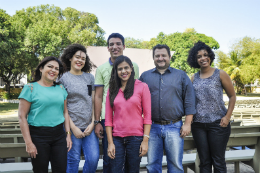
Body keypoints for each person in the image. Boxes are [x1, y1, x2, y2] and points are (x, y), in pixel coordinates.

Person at [139, 44, 196, 173]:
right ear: (153, 58)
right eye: (157, 55)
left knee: (175, 164)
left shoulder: (181, 75)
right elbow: (137, 102)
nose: (160, 58)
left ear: (169, 57)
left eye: (163, 55)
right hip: (152, 128)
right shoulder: (145, 77)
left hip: (174, 126)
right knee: (152, 165)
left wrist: (187, 123)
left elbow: (190, 100)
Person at [187, 41, 236, 173]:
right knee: (204, 162)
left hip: (218, 124)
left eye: (205, 55)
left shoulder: (220, 74)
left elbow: (232, 96)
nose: (203, 58)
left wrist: (227, 117)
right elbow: (190, 101)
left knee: (218, 161)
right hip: (198, 125)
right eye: (199, 56)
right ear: (195, 60)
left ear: (210, 56)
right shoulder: (193, 78)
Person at [94, 33, 139, 172]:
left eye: (118, 44)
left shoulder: (133, 66)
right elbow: (98, 96)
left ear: (124, 46)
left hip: (129, 121)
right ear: (107, 48)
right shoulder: (101, 69)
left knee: (130, 160)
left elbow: (136, 90)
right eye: (111, 44)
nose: (115, 47)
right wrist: (97, 122)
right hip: (108, 120)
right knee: (110, 158)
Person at [18, 56, 72, 173]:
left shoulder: (61, 88)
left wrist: (68, 134)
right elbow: (22, 117)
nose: (53, 70)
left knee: (61, 170)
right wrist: (28, 143)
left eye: (56, 69)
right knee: (40, 170)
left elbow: (65, 112)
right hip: (38, 137)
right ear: (41, 68)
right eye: (50, 67)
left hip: (59, 136)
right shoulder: (30, 88)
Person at [105, 55, 151, 172]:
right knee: (115, 170)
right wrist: (110, 143)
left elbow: (147, 116)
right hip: (117, 138)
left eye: (126, 68)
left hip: (136, 138)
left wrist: (145, 141)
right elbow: (108, 119)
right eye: (120, 69)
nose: (123, 71)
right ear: (116, 71)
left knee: (133, 170)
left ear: (131, 68)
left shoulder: (142, 87)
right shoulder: (112, 89)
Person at [59, 44, 99, 173]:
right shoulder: (63, 79)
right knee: (73, 160)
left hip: (89, 127)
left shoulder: (89, 78)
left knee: (93, 159)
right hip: (72, 127)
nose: (80, 60)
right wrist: (72, 128)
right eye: (77, 57)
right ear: (70, 58)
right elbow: (62, 107)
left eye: (83, 58)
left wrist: (93, 123)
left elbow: (93, 101)